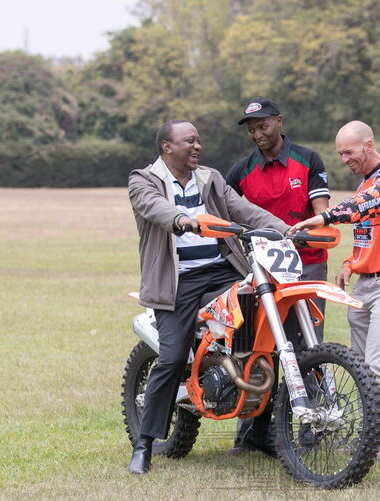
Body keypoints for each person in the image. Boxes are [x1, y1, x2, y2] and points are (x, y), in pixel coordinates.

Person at [127, 119, 290, 474]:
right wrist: (186, 220)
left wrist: (286, 230)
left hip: (222, 273)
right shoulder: (143, 180)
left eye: (199, 140)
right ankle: (144, 443)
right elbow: (155, 208)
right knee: (170, 358)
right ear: (167, 147)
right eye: (190, 141)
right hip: (178, 282)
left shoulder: (210, 178)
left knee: (264, 334)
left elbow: (243, 209)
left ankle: (263, 431)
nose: (197, 146)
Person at [290, 120, 380, 461]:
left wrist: (324, 217)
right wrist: (349, 262)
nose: (344, 159)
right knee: (360, 365)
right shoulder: (367, 183)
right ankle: (371, 435)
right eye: (340, 154)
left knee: (376, 363)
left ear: (368, 144)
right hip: (365, 284)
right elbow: (368, 232)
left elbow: (361, 208)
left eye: (349, 151)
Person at [224, 96, 331, 456]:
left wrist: (312, 228)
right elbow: (225, 216)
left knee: (307, 346)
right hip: (260, 270)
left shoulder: (308, 160)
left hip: (306, 264)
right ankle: (252, 433)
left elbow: (321, 211)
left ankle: (313, 430)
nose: (258, 134)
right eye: (252, 129)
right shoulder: (240, 171)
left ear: (279, 122)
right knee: (257, 349)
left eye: (263, 126)